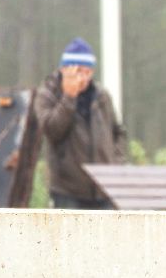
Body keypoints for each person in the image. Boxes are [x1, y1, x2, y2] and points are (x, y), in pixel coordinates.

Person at [32, 37, 128, 209]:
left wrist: (115, 164)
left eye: (87, 72)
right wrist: (69, 97)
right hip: (68, 190)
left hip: (104, 189)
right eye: (78, 71)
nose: (83, 78)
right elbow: (52, 130)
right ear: (64, 69)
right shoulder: (47, 94)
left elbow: (118, 132)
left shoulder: (101, 95)